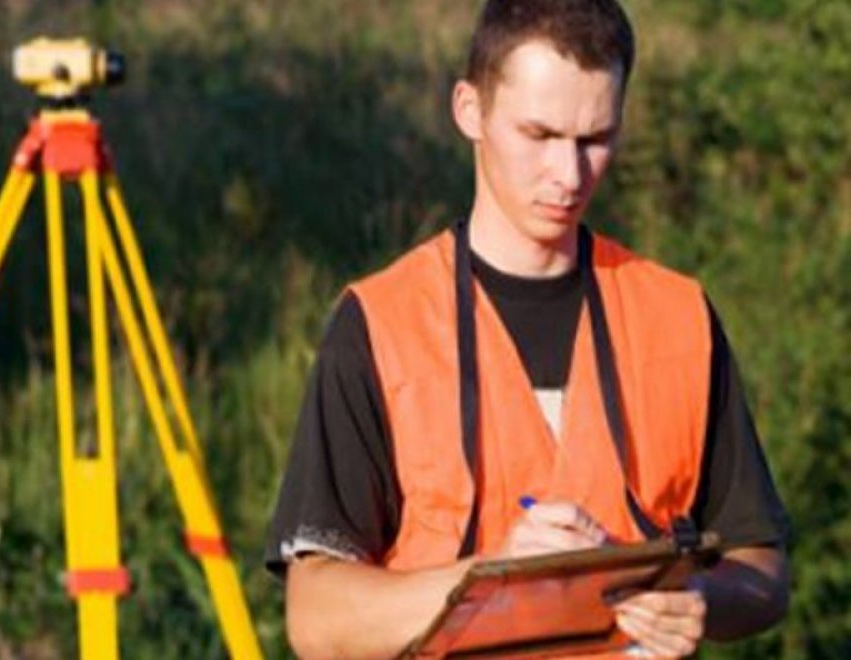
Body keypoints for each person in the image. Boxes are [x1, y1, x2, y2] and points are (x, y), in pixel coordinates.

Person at [265, 1, 790, 658]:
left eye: (595, 139)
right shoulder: (378, 325)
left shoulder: (680, 317)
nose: (569, 175)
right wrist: (493, 579)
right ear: (470, 110)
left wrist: (700, 598)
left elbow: (762, 565)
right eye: (539, 135)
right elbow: (316, 620)